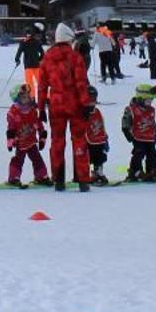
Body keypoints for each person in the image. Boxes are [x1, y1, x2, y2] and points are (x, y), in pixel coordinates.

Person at [40, 24, 93, 190]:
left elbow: (41, 86)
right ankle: (83, 179)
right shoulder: (75, 57)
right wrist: (86, 104)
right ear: (69, 39)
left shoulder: (47, 57)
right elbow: (81, 84)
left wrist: (40, 108)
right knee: (79, 141)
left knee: (57, 142)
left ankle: (58, 179)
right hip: (75, 104)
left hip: (56, 105)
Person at [5, 83, 50, 187]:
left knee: (37, 159)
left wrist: (42, 138)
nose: (27, 98)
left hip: (31, 141)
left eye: (27, 96)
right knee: (18, 160)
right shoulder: (13, 113)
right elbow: (11, 128)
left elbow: (39, 125)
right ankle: (13, 178)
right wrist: (10, 141)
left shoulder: (33, 110)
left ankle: (41, 176)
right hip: (20, 142)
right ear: (17, 99)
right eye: (23, 97)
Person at [122, 82, 156, 181]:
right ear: (141, 98)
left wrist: (155, 134)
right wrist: (127, 133)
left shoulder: (151, 110)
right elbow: (126, 121)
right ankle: (135, 171)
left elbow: (153, 123)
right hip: (137, 137)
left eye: (151, 100)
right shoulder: (131, 109)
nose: (150, 102)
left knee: (153, 154)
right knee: (139, 153)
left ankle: (152, 170)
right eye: (148, 100)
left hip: (149, 137)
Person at [81, 86, 112, 187]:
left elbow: (101, 125)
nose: (92, 102)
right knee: (88, 158)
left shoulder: (97, 112)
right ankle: (85, 175)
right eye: (90, 99)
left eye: (94, 99)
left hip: (99, 140)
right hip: (88, 141)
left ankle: (98, 172)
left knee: (100, 157)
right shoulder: (82, 113)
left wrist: (105, 139)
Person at [14, 24, 47, 103]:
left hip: (28, 66)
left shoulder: (23, 42)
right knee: (40, 83)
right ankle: (43, 99)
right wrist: (39, 59)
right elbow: (42, 53)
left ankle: (33, 100)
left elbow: (19, 52)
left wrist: (17, 60)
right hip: (36, 65)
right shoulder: (36, 42)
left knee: (30, 84)